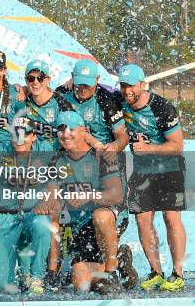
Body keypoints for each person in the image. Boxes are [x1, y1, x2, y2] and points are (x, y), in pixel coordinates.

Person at [117, 64, 186, 292]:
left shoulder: (161, 107)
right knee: (142, 220)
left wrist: (149, 148)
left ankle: (177, 273)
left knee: (170, 217)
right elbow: (96, 90)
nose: (127, 91)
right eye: (123, 85)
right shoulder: (120, 101)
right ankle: (156, 271)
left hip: (169, 167)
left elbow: (177, 145)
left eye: (131, 86)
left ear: (142, 84)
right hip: (142, 170)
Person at [52, 111, 136, 294]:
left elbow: (116, 195)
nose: (66, 134)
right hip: (80, 222)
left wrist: (89, 196)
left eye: (72, 129)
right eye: (61, 129)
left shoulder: (102, 155)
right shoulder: (57, 159)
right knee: (81, 283)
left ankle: (111, 273)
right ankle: (118, 260)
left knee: (101, 215)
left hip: (109, 217)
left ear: (84, 131)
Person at [0, 117, 55, 294]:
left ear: (34, 137)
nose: (19, 140)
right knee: (3, 286)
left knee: (42, 224)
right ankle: (19, 272)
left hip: (33, 213)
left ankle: (36, 276)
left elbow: (57, 180)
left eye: (24, 135)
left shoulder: (45, 149)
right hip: (5, 215)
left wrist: (48, 200)